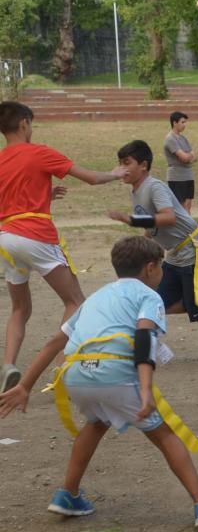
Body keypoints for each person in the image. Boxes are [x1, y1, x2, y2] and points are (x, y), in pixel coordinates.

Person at [0, 236, 198, 528]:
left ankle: (68, 495)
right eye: (161, 266)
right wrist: (146, 390)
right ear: (150, 268)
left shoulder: (96, 297)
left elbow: (54, 343)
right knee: (164, 434)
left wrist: (25, 385)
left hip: (75, 373)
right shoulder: (149, 297)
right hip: (114, 372)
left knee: (96, 422)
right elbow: (144, 339)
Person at [1, 100, 126, 393]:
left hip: (6, 238)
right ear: (24, 124)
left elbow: (13, 202)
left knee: (20, 307)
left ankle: (8, 365)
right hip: (36, 235)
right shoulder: (40, 152)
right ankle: (61, 365)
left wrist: (45, 197)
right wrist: (116, 174)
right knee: (75, 301)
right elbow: (92, 179)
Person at [107, 140, 198, 366]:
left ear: (143, 165)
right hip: (175, 253)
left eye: (127, 163)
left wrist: (131, 220)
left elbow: (169, 217)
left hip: (192, 251)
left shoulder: (154, 187)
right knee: (160, 303)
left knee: (197, 309)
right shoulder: (136, 192)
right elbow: (152, 228)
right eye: (120, 163)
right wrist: (140, 252)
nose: (122, 168)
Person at [163, 111, 197, 212]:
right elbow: (185, 158)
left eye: (185, 122)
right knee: (180, 206)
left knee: (188, 204)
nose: (184, 125)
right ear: (174, 123)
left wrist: (189, 156)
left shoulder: (183, 138)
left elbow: (194, 157)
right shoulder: (170, 139)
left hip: (188, 175)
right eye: (182, 122)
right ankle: (180, 227)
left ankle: (188, 227)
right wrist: (190, 156)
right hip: (177, 177)